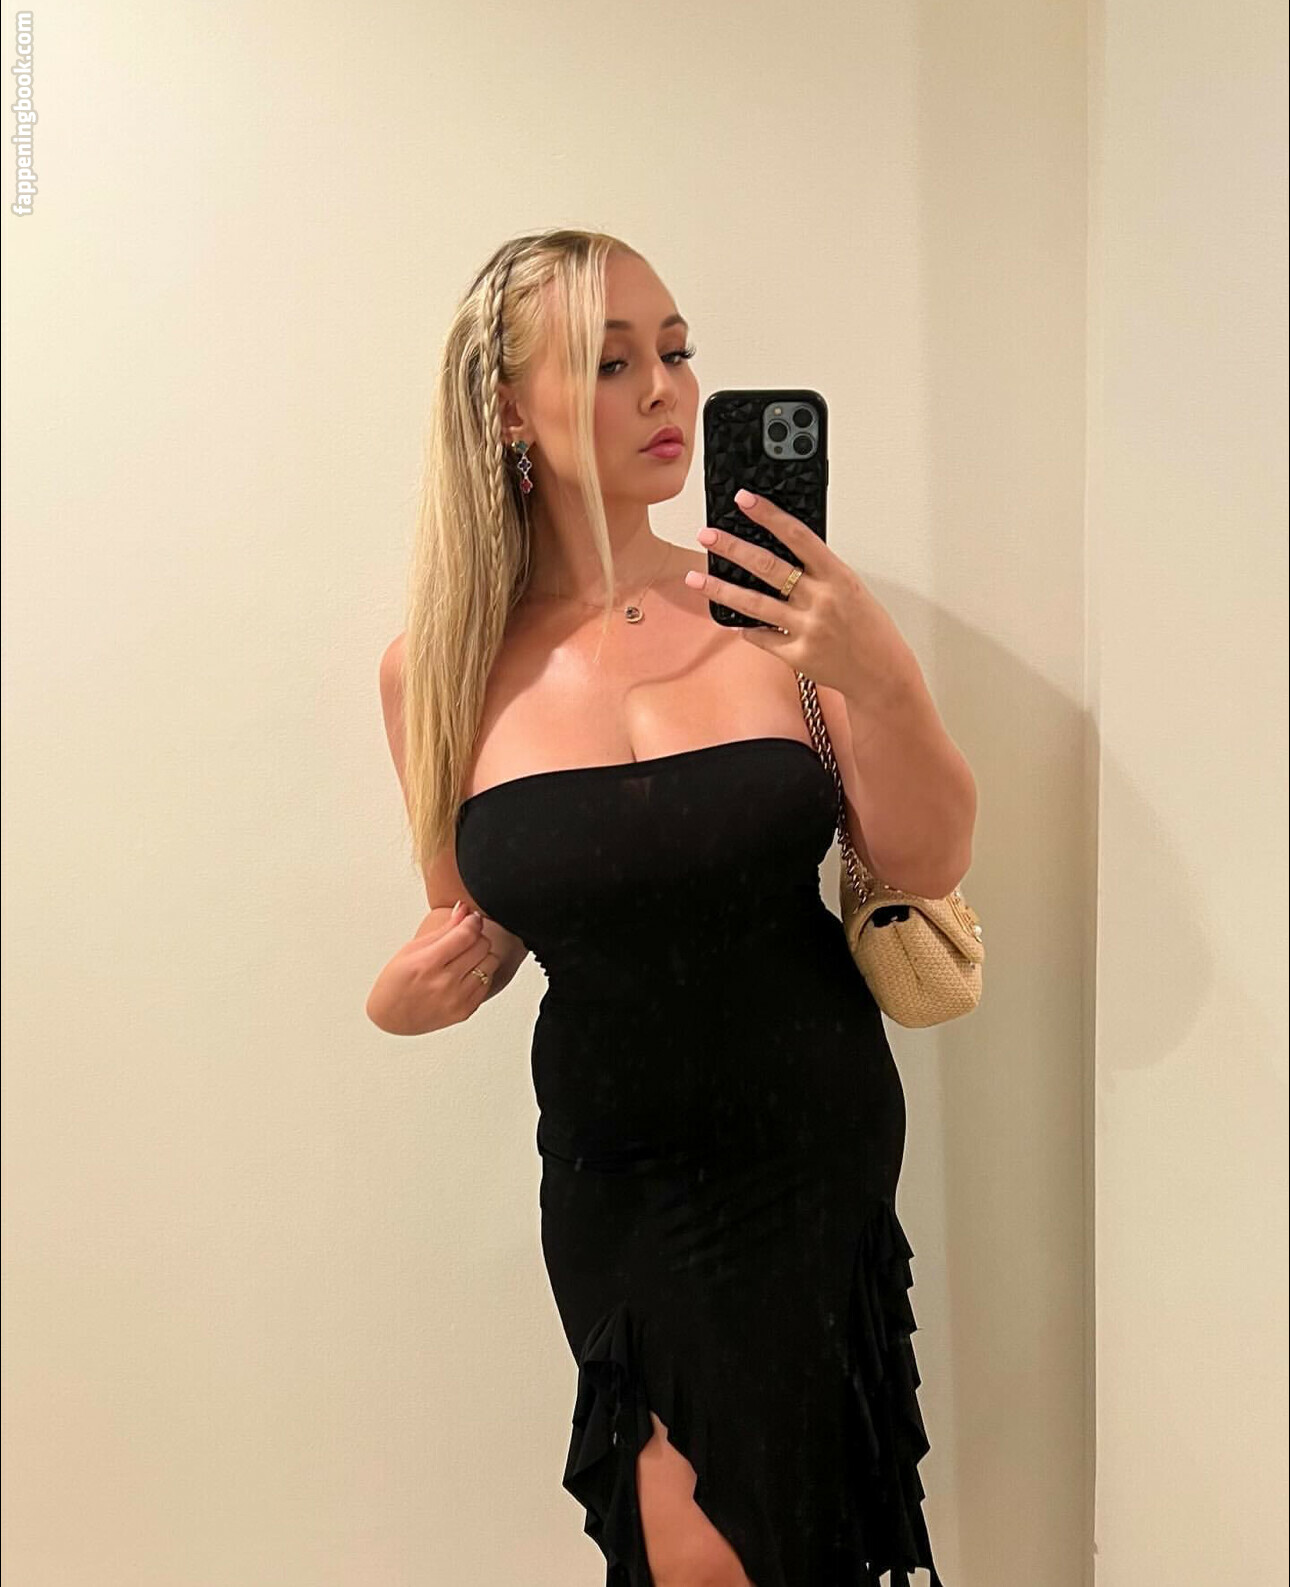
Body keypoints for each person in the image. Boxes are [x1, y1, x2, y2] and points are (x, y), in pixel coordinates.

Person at [367, 228, 975, 1587]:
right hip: (617, 1169)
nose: (665, 391)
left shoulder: (776, 611)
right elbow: (471, 924)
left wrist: (877, 674)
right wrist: (401, 996)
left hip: (807, 1137)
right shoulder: (437, 669)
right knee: (687, 1547)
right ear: (505, 409)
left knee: (793, 1540)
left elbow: (924, 859)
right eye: (610, 361)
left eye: (678, 352)